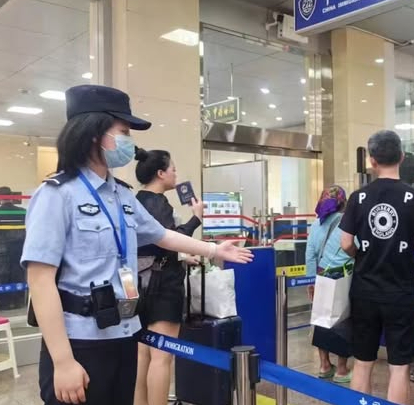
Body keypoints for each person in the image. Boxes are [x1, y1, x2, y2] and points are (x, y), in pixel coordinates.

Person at [20, 84, 253, 405]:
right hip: (80, 341)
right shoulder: (56, 195)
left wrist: (214, 250)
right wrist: (62, 362)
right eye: (123, 132)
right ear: (94, 134)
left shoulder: (122, 195)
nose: (129, 143)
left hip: (124, 334)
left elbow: (161, 235)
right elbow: (40, 280)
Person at [339, 130, 414, 404]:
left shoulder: (358, 198)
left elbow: (345, 243)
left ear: (372, 160)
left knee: (362, 362)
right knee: (399, 367)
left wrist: (362, 255)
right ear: (402, 157)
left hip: (364, 291)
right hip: (401, 293)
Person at [132, 148, 204, 405]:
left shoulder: (136, 200)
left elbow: (149, 246)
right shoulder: (159, 203)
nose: (176, 174)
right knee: (162, 356)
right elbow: (169, 239)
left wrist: (182, 257)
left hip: (140, 283)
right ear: (161, 173)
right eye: (173, 169)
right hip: (164, 287)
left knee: (142, 355)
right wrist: (196, 218)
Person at [305, 185, 353, 384]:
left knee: (321, 319)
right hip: (342, 276)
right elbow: (353, 247)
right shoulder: (347, 222)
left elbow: (310, 254)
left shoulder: (316, 224)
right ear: (343, 202)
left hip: (321, 275)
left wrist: (310, 281)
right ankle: (341, 369)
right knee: (344, 321)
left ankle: (324, 365)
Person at [0, 186, 27, 310]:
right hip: (19, 247)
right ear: (12, 196)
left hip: (1, 248)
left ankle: (4, 303)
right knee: (17, 273)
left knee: (2, 274)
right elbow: (29, 230)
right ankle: (18, 302)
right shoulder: (22, 212)